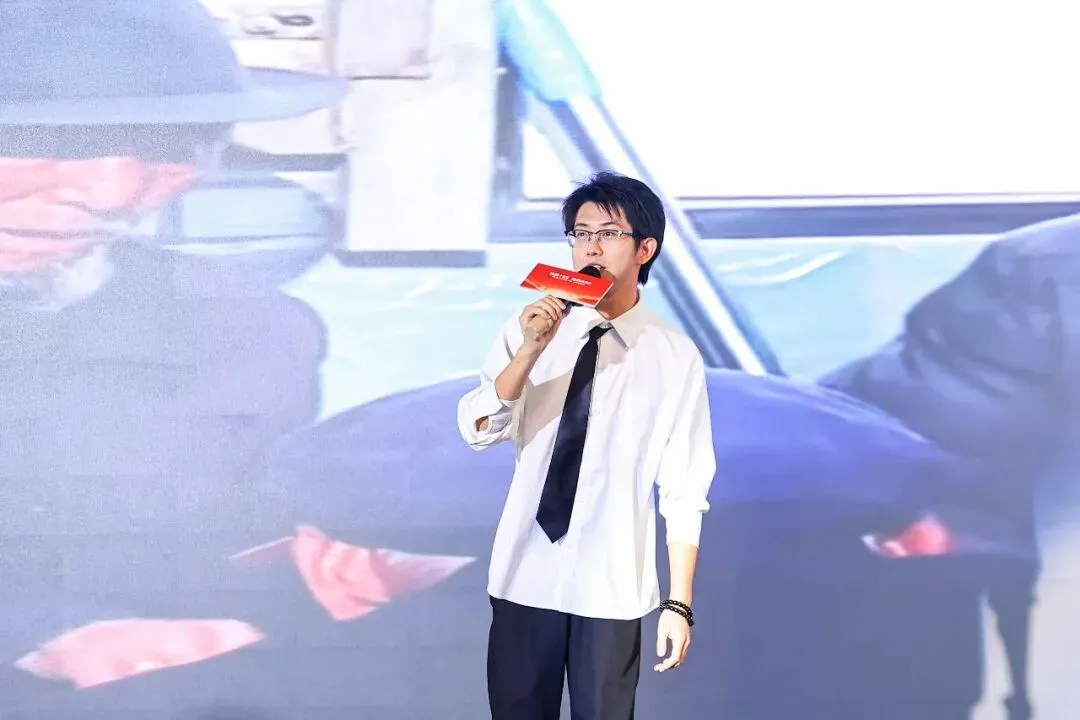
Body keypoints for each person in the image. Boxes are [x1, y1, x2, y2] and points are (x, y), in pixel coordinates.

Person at [455, 171, 716, 719]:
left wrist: (679, 603)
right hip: (525, 573)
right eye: (580, 234)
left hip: (612, 586)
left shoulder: (673, 355)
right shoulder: (531, 329)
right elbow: (480, 429)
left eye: (609, 233)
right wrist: (529, 351)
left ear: (645, 249)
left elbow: (684, 486)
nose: (591, 247)